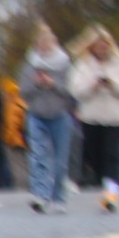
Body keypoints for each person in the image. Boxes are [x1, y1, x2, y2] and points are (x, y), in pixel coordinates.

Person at [67, 28, 119, 213]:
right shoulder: (83, 65)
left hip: (116, 117)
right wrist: (92, 86)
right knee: (95, 157)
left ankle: (111, 193)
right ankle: (105, 182)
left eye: (105, 45)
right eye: (98, 46)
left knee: (112, 156)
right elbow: (75, 90)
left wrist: (113, 85)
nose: (102, 49)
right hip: (92, 117)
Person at [20, 24, 75, 214]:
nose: (43, 49)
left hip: (60, 116)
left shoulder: (64, 64)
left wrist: (53, 84)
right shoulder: (30, 65)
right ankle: (40, 196)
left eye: (47, 45)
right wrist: (36, 84)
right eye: (40, 45)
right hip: (36, 115)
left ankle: (58, 197)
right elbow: (24, 92)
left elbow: (71, 92)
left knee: (60, 161)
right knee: (38, 156)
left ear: (54, 44)